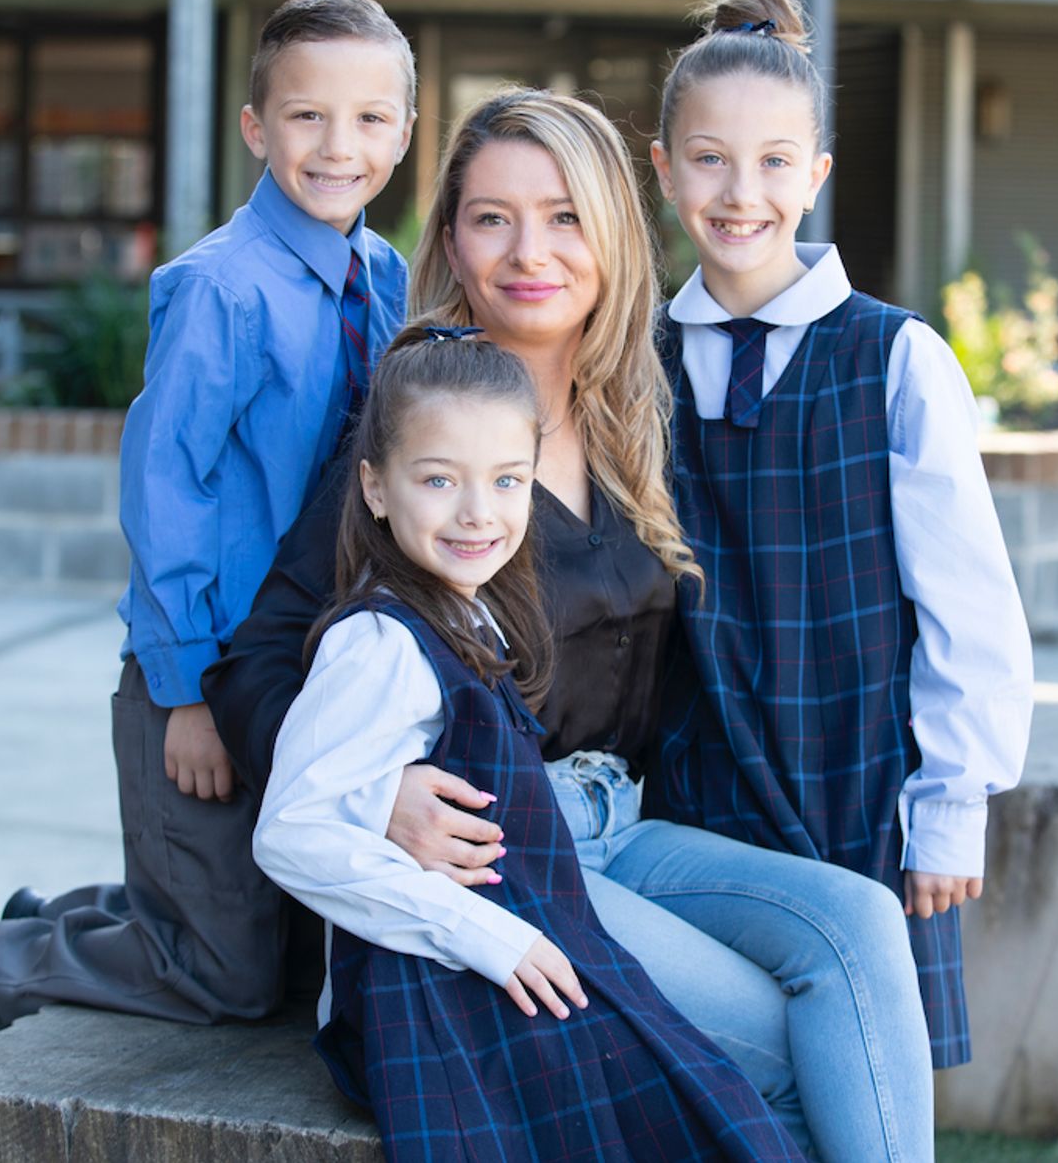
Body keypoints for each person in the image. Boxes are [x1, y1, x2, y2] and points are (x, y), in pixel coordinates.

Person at [205, 88, 935, 1160]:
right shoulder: (422, 432)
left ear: (608, 232)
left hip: (623, 825)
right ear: (449, 236)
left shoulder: (636, 413)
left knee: (860, 928)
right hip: (508, 844)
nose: (525, 251)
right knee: (775, 1043)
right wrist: (381, 790)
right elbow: (264, 655)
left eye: (561, 216)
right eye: (490, 217)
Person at [0, 0, 415, 1062]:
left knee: (284, 953)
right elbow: (165, 493)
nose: (339, 146)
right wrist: (184, 689)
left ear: (405, 134)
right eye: (305, 117)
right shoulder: (217, 289)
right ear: (255, 127)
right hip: (206, 666)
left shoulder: (383, 281)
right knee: (224, 978)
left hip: (304, 671)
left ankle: (84, 914)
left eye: (370, 118)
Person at [254, 325, 803, 1161]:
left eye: (508, 480)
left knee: (711, 1099)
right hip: (438, 995)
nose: (478, 512)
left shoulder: (466, 610)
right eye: (438, 480)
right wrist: (487, 936)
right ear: (373, 487)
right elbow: (292, 832)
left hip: (505, 954)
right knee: (713, 1104)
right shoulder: (379, 643)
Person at [644, 0, 1035, 1069]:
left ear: (814, 174)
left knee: (861, 1073)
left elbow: (966, 599)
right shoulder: (637, 363)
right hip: (697, 784)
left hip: (860, 783)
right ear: (665, 168)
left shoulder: (892, 357)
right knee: (721, 1074)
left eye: (773, 162)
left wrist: (951, 807)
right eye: (709, 159)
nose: (739, 192)